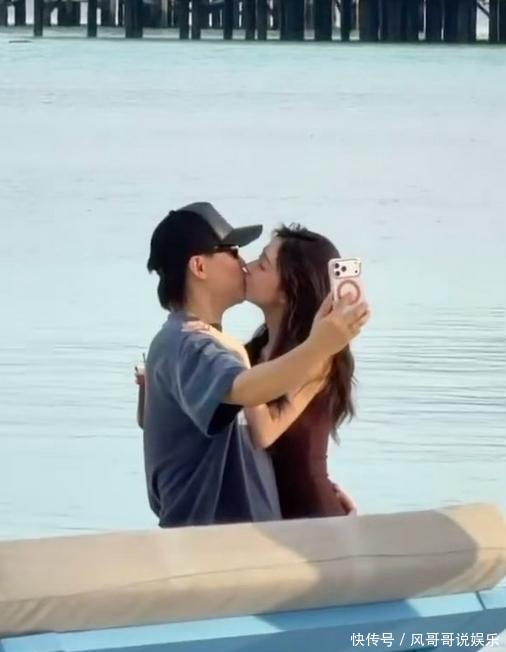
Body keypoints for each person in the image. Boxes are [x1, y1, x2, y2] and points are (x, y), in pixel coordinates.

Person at [139, 202, 369, 528]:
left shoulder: (209, 345)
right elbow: (244, 391)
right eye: (233, 253)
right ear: (200, 267)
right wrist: (320, 345)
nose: (244, 264)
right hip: (220, 543)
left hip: (264, 534)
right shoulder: (190, 343)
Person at [244, 224, 359, 519]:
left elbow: (265, 433)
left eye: (262, 264)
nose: (248, 266)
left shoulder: (318, 360)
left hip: (313, 519)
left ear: (289, 290)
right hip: (269, 515)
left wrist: (237, 367)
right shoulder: (254, 352)